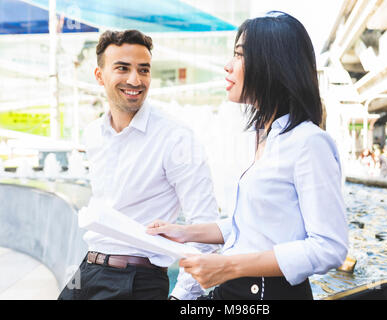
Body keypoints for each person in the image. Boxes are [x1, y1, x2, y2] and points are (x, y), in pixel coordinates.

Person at [147, 12, 348, 300]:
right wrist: (185, 232)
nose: (228, 66)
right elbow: (255, 226)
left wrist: (227, 266)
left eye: (239, 56)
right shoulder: (268, 137)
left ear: (271, 65)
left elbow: (329, 247)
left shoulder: (309, 142)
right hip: (238, 291)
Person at [58, 30, 219, 300]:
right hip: (88, 268)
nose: (135, 80)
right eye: (122, 68)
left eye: (143, 70)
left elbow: (205, 227)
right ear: (99, 76)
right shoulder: (93, 133)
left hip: (136, 280)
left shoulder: (176, 137)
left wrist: (181, 296)